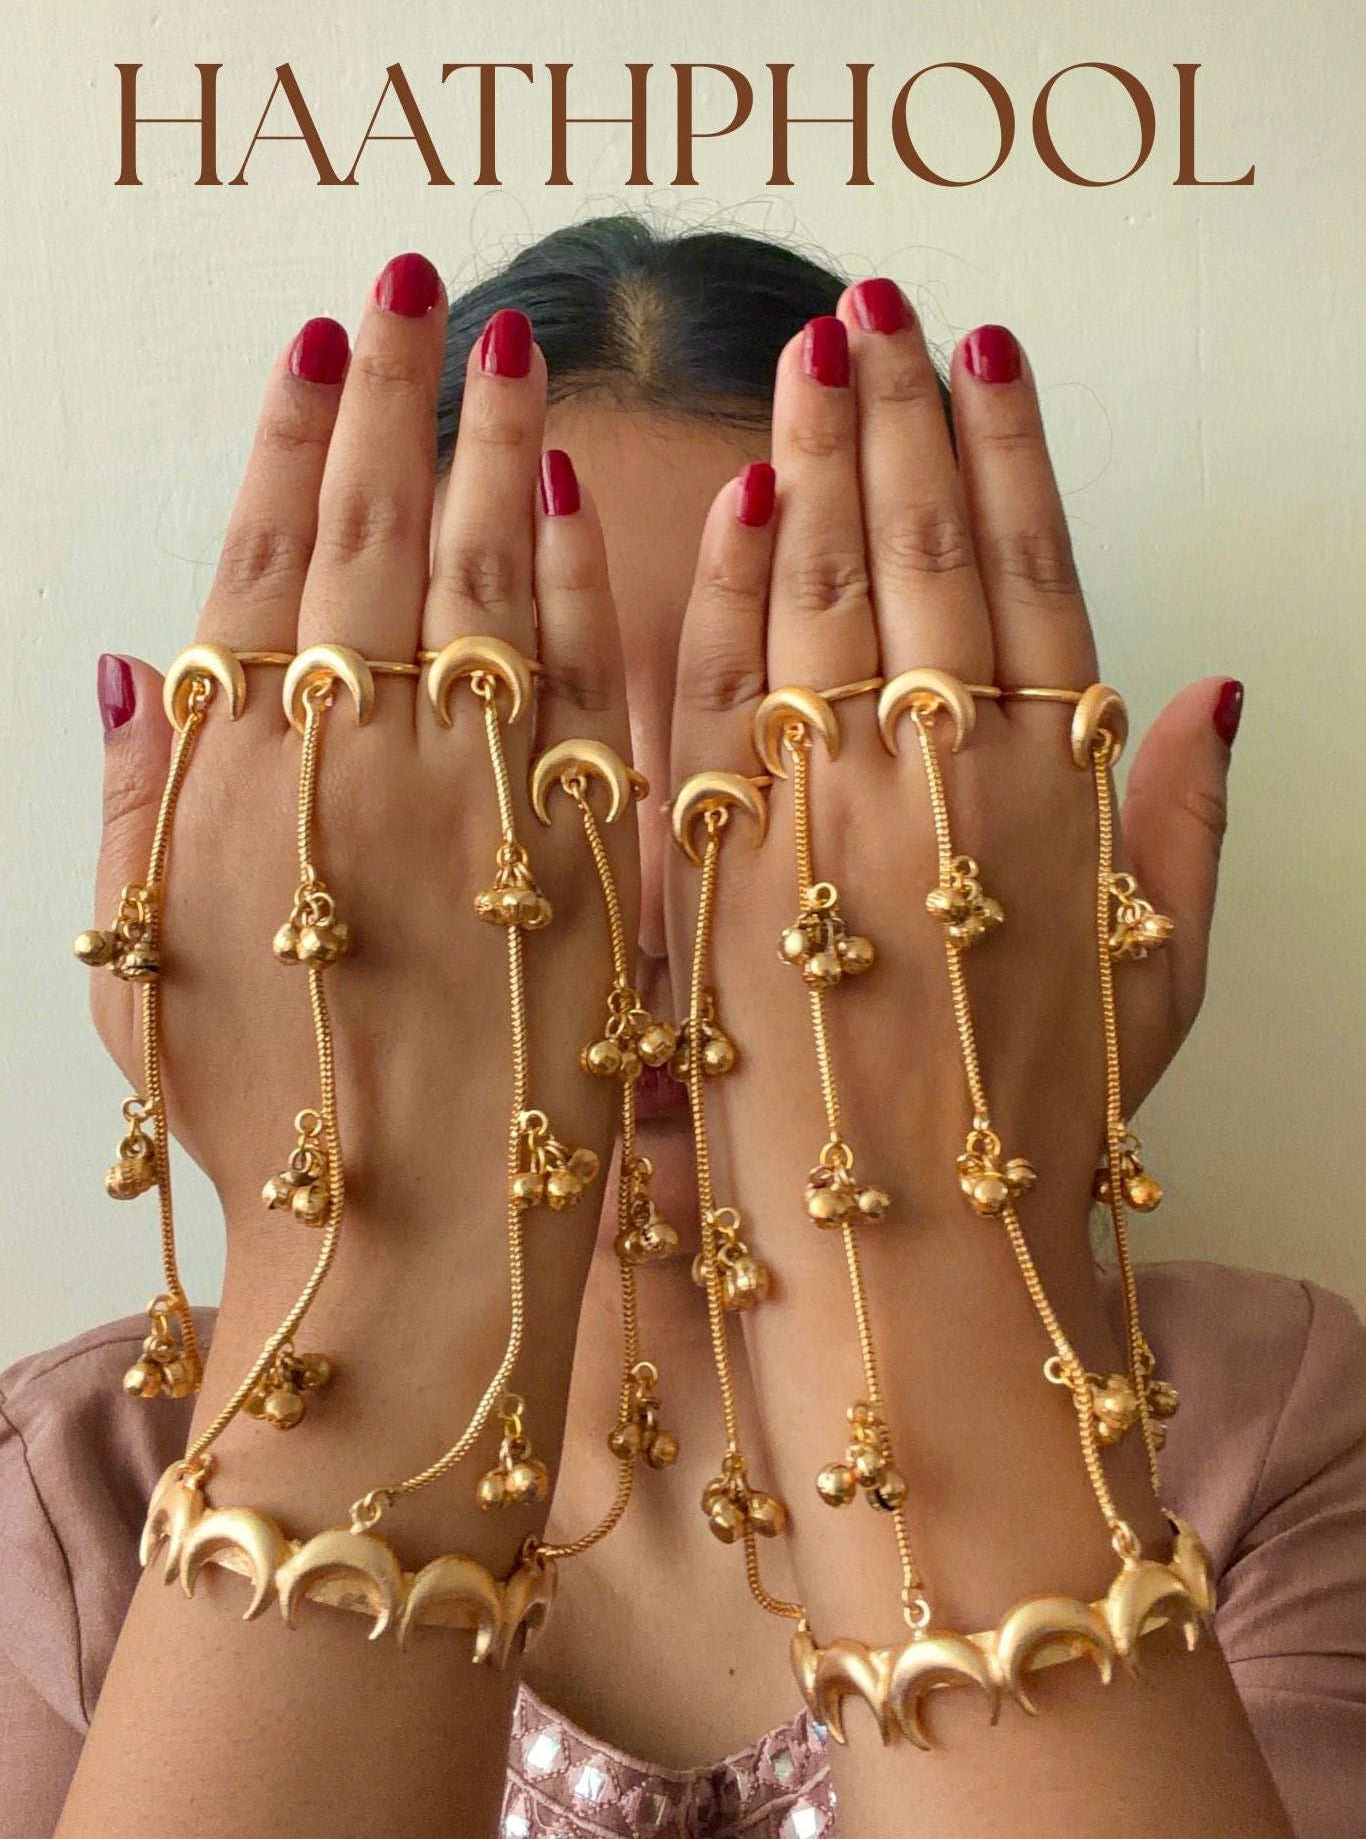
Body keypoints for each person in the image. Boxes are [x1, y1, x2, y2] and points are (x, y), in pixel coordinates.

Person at [2, 218, 1362, 1839]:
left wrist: (932, 1250)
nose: (647, 896)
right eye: (525, 745)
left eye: (773, 755)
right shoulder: (74, 1495)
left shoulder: (1259, 1434)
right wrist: (373, 1272)